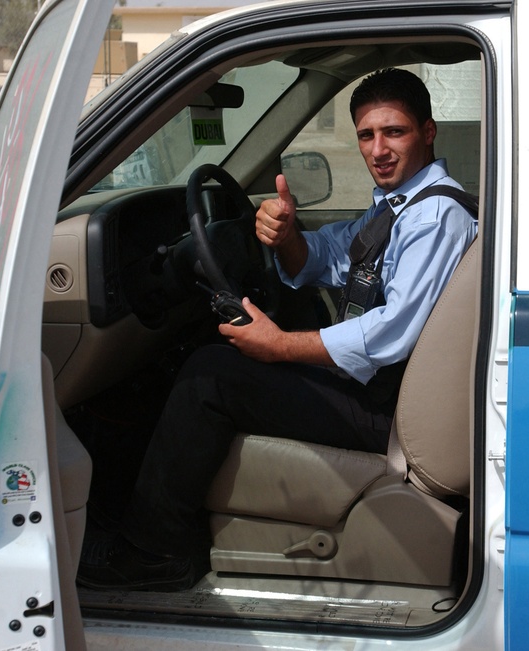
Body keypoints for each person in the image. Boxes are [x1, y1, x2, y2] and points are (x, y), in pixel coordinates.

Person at [77, 67, 479, 591]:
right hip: (380, 389)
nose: (378, 149)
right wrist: (286, 233)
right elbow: (334, 256)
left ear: (427, 132)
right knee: (216, 356)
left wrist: (280, 346)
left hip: (388, 407)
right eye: (365, 135)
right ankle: (138, 513)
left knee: (209, 375)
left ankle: (155, 550)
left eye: (394, 132)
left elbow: (390, 331)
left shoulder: (434, 217)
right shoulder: (401, 206)